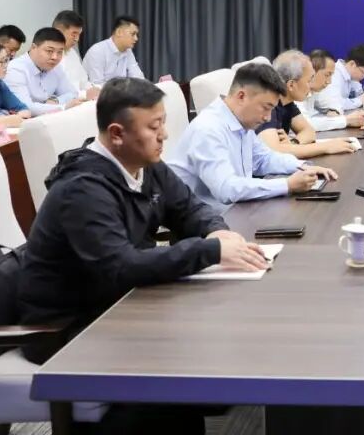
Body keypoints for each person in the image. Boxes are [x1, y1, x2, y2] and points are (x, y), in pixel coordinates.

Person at [18, 77, 265, 433]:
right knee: (181, 366)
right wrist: (209, 250)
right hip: (67, 326)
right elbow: (120, 266)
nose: (164, 135)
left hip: (119, 303)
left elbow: (188, 208)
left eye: (163, 122)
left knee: (207, 345)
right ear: (117, 134)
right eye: (153, 127)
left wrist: (216, 231)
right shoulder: (82, 189)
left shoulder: (145, 164)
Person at [167, 63, 337, 212]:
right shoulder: (208, 129)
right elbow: (226, 189)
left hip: (235, 211)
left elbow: (263, 159)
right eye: (266, 107)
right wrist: (287, 185)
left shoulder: (241, 121)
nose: (268, 118)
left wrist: (302, 167)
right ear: (241, 96)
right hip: (202, 223)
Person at [257, 50, 358, 158]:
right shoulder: (268, 105)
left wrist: (293, 144)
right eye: (309, 80)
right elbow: (273, 151)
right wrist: (326, 147)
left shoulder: (287, 103)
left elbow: (309, 131)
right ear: (291, 85)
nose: (310, 86)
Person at [4, 28, 86, 116]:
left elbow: (72, 93)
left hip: (47, 118)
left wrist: (56, 101)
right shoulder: (15, 69)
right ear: (33, 47)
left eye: (59, 52)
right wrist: (63, 107)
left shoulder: (55, 67)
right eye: (49, 51)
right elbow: (25, 107)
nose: (55, 57)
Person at [299, 49, 364, 131]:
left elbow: (327, 109)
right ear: (312, 72)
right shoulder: (296, 93)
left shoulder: (312, 92)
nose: (329, 81)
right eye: (327, 75)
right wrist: (346, 120)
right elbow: (305, 124)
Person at [316, 43, 364, 113]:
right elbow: (333, 104)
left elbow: (362, 92)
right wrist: (360, 101)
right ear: (352, 64)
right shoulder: (334, 74)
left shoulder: (350, 75)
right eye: (363, 72)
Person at [83, 15, 145, 84]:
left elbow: (138, 77)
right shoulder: (97, 51)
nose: (136, 39)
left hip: (117, 90)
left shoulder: (128, 51)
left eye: (136, 35)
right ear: (119, 32)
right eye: (133, 34)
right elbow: (97, 84)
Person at [53, 9, 98, 97]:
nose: (77, 39)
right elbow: (57, 92)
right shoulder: (48, 57)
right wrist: (84, 94)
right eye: (74, 34)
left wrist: (95, 89)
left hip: (80, 98)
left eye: (79, 34)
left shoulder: (72, 53)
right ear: (59, 31)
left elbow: (83, 82)